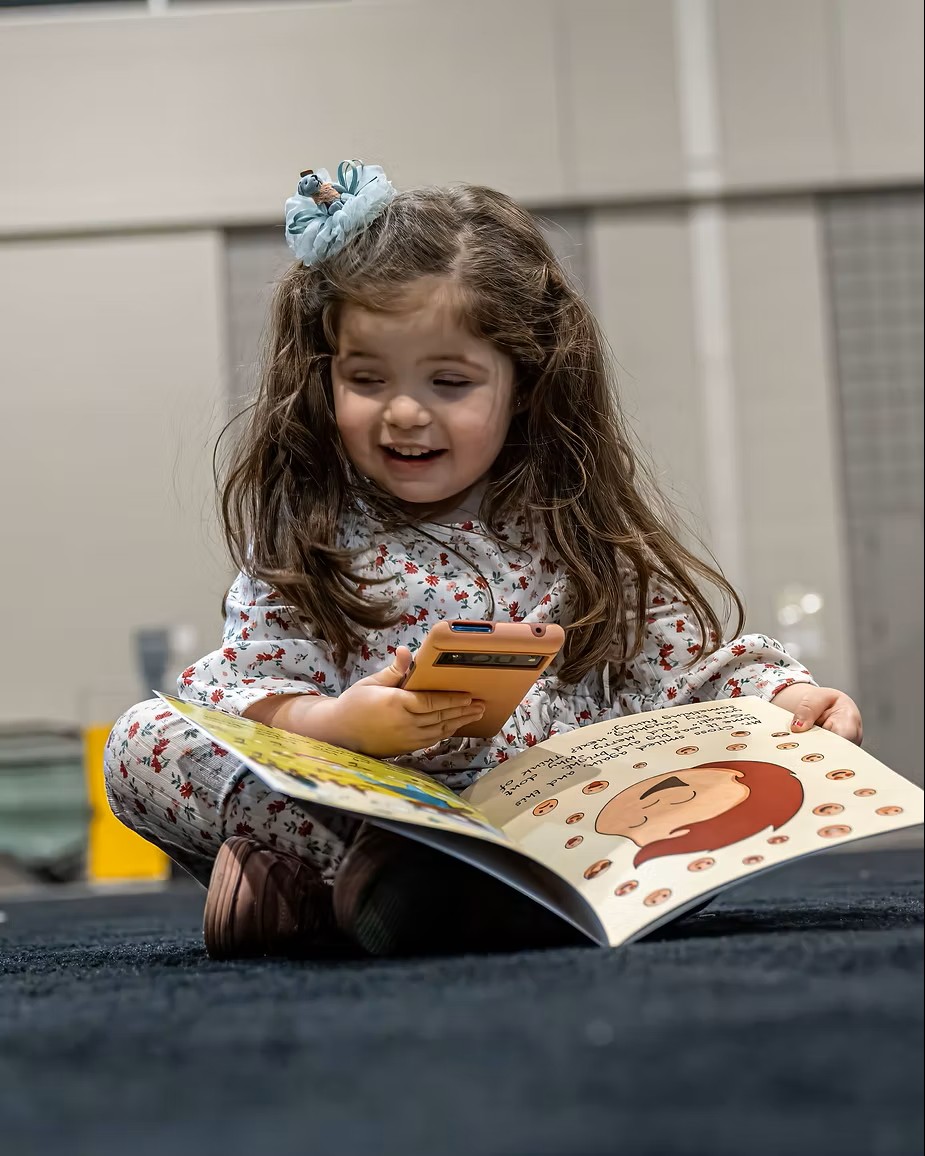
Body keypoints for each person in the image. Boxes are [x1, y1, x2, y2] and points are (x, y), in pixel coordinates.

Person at [103, 160, 862, 960]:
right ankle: (386, 888)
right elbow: (248, 693)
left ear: (525, 385)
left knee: (707, 789)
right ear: (325, 379)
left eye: (450, 381)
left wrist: (789, 697)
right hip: (376, 819)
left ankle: (333, 902)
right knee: (143, 741)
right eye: (366, 379)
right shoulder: (311, 532)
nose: (402, 411)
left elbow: (688, 673)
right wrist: (336, 724)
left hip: (561, 822)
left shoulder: (578, 530)